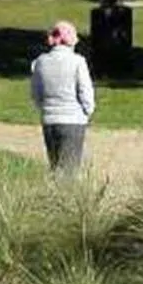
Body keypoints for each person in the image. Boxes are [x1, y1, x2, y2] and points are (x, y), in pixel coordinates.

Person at [28, 20, 95, 173]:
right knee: (69, 171)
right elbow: (86, 92)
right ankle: (67, 197)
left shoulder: (40, 62)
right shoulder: (78, 62)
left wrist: (45, 109)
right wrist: (87, 111)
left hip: (49, 120)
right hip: (73, 120)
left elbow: (36, 93)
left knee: (55, 166)